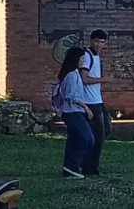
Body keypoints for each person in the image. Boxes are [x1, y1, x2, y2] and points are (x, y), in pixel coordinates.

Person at [58, 46, 94, 179]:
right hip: (73, 112)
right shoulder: (72, 75)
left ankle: (70, 168)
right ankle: (73, 165)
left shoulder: (75, 74)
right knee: (87, 139)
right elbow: (70, 96)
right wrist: (85, 107)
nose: (83, 61)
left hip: (75, 112)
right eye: (82, 58)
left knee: (74, 140)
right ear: (77, 59)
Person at [80, 29, 112, 176]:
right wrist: (105, 80)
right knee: (98, 136)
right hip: (90, 102)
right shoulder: (87, 56)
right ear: (92, 41)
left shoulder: (96, 56)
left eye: (102, 42)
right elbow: (85, 79)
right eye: (97, 41)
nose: (99, 44)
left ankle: (86, 161)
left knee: (106, 130)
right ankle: (90, 168)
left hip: (97, 100)